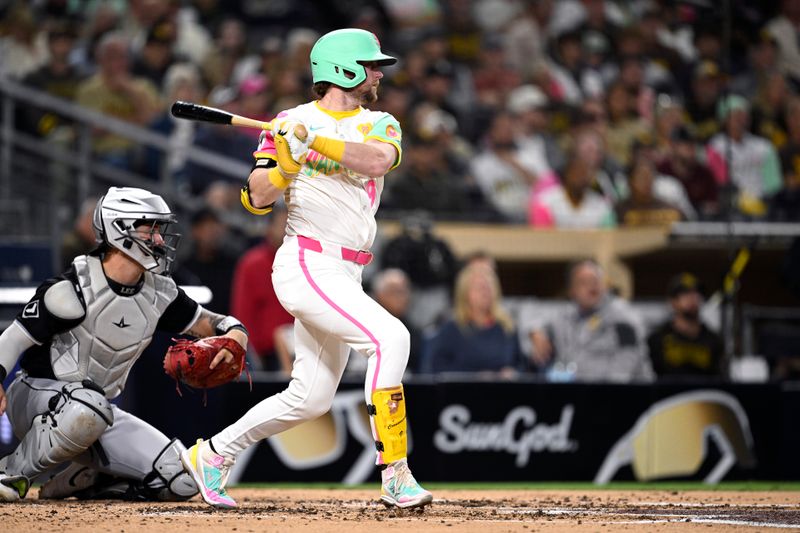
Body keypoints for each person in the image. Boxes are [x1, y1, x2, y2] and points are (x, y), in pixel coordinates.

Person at [181, 28, 432, 510]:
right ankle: (396, 474)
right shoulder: (287, 122)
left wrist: (317, 141)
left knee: (310, 398)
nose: (378, 73)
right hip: (307, 262)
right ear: (343, 69)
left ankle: (212, 454)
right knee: (391, 337)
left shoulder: (380, 123)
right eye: (371, 65)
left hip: (347, 272)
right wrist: (286, 166)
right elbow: (256, 198)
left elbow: (378, 161)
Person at [0, 187, 249, 503]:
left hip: (97, 413)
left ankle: (88, 479)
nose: (159, 240)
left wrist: (236, 332)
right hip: (35, 399)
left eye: (160, 230)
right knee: (89, 406)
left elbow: (210, 322)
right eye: (151, 229)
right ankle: (11, 473)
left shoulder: (160, 293)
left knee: (182, 479)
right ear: (119, 229)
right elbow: (11, 339)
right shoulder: (72, 288)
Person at [529, 260, 654, 383]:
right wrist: (537, 334)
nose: (592, 286)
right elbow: (532, 317)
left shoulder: (621, 316)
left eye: (595, 280)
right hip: (581, 392)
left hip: (623, 393)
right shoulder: (567, 315)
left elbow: (626, 363)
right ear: (571, 290)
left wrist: (606, 394)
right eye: (583, 282)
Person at [421, 264, 523, 377]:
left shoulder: (507, 327)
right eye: (480, 288)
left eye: (489, 287)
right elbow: (438, 368)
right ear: (465, 293)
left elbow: (520, 364)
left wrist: (513, 372)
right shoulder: (451, 329)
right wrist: (475, 377)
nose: (486, 292)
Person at [230, 204, 294, 371]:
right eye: (283, 225)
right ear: (269, 229)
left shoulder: (308, 263)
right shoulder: (252, 263)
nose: (289, 231)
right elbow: (244, 312)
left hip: (306, 349)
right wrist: (250, 353)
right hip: (267, 355)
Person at [647, 273, 725, 380]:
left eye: (696, 293)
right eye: (685, 294)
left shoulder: (713, 340)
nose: (692, 298)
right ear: (673, 301)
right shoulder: (657, 339)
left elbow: (720, 379)